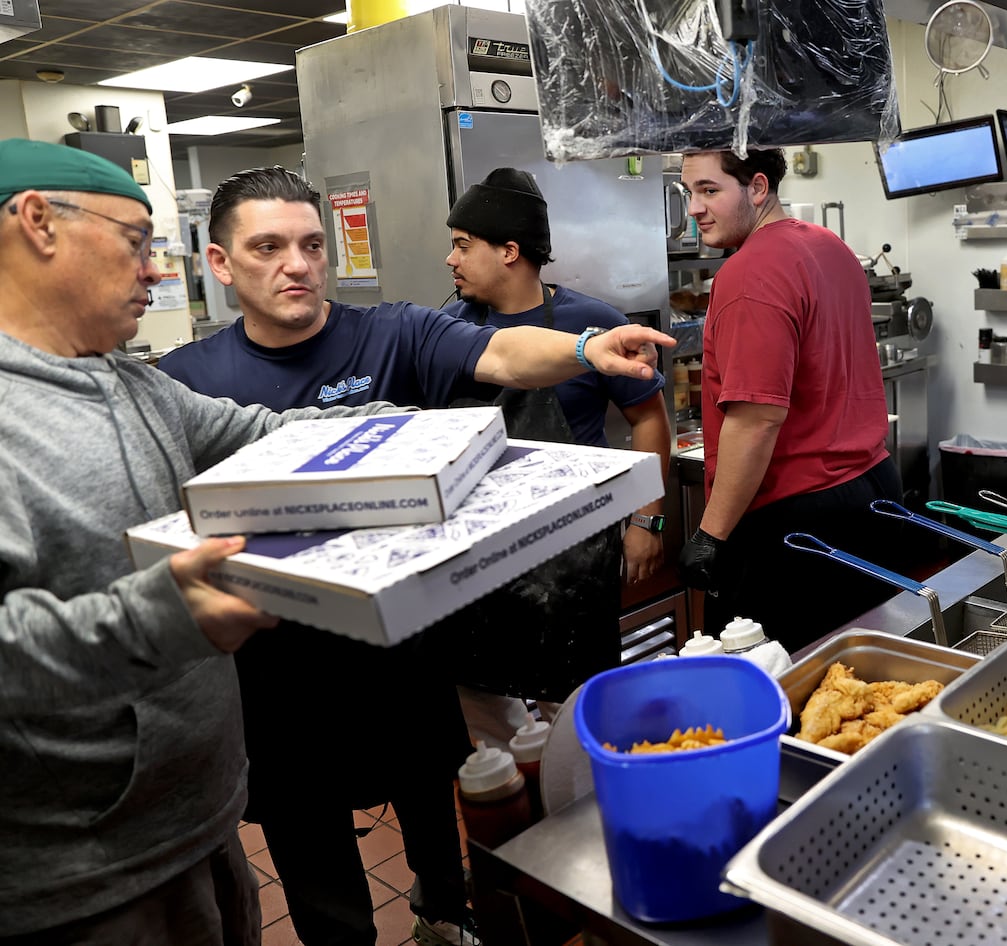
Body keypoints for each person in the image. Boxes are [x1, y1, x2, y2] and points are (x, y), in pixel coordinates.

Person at [157, 167, 670, 946]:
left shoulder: (392, 332)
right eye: (267, 247)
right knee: (318, 872)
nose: (296, 264)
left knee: (437, 831)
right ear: (221, 264)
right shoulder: (186, 383)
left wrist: (585, 346)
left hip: (404, 660)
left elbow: (501, 355)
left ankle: (445, 921)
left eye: (310, 245)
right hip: (278, 680)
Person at [0, 140, 405, 944]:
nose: (153, 272)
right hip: (84, 880)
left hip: (201, 825)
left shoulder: (131, 381)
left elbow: (269, 436)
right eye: (135, 243)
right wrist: (155, 618)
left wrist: (415, 435)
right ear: (39, 222)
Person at [439, 168, 672, 746]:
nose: (451, 259)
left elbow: (649, 418)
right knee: (489, 723)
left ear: (510, 251)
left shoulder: (592, 324)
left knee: (578, 715)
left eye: (463, 245)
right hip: (481, 553)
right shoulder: (445, 332)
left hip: (574, 551)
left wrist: (646, 517)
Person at [674, 149, 910, 654]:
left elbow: (756, 420)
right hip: (873, 490)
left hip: (798, 520)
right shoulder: (831, 246)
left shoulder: (748, 272)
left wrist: (709, 536)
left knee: (780, 688)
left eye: (709, 190)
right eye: (688, 192)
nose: (694, 208)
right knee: (862, 676)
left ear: (757, 188)